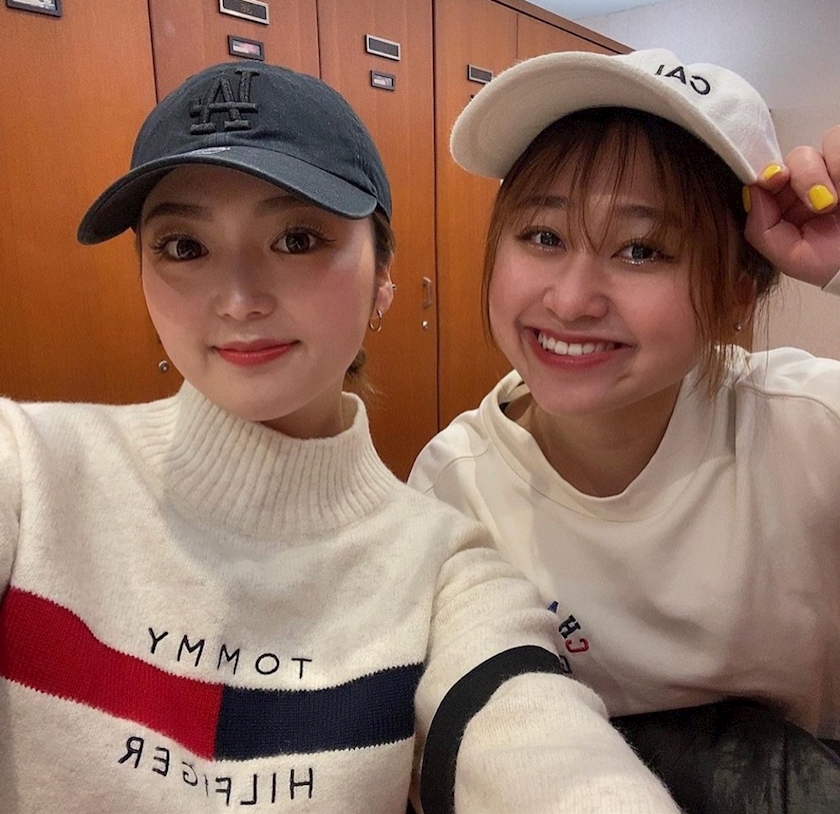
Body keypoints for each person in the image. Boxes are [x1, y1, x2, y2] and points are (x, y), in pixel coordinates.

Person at [0, 61, 684, 814]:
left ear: (384, 274)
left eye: (296, 239)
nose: (238, 300)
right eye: (184, 247)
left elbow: (543, 751)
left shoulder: (443, 570)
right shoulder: (27, 469)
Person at [408, 48, 840, 807]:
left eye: (642, 250)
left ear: (738, 295)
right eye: (544, 236)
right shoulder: (455, 488)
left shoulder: (811, 428)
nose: (571, 300)